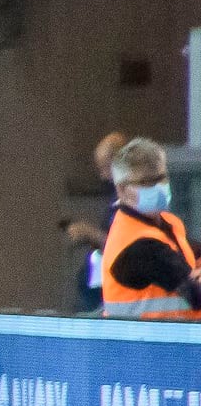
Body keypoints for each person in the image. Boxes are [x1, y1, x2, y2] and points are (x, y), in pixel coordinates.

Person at [101, 137, 200, 317]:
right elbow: (195, 293)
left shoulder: (167, 224)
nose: (158, 187)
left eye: (161, 178)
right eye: (146, 182)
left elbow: (194, 256)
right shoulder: (138, 246)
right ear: (122, 190)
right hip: (145, 343)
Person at [64, 132, 126, 312]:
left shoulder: (130, 205)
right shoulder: (116, 200)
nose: (103, 177)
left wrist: (89, 233)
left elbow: (125, 246)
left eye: (106, 169)